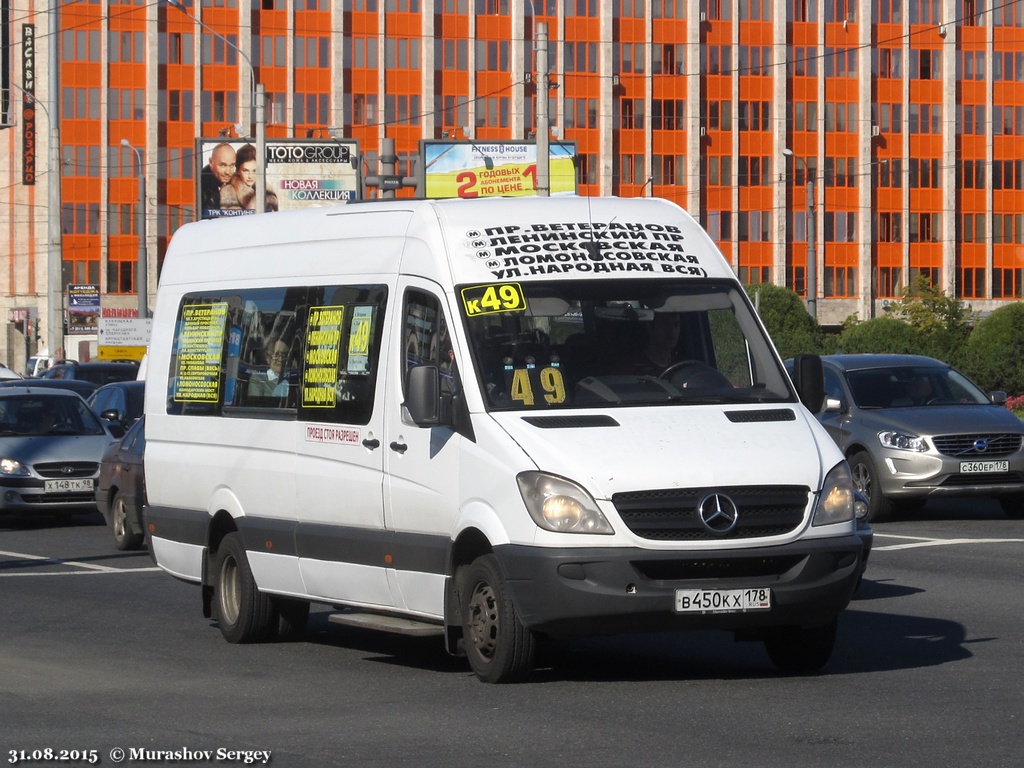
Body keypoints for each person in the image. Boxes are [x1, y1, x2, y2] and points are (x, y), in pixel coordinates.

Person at [615, 312, 683, 376]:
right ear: (649, 327)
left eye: (676, 324)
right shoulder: (629, 367)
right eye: (665, 324)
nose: (672, 331)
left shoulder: (683, 367)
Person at [220, 144, 279, 213]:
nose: (250, 176)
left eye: (254, 170)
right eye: (245, 171)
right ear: (238, 170)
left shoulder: (267, 190)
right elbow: (228, 220)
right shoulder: (228, 192)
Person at [200, 143, 236, 215]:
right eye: (223, 165)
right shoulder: (200, 185)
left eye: (232, 165)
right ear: (211, 162)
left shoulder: (238, 182)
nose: (228, 172)